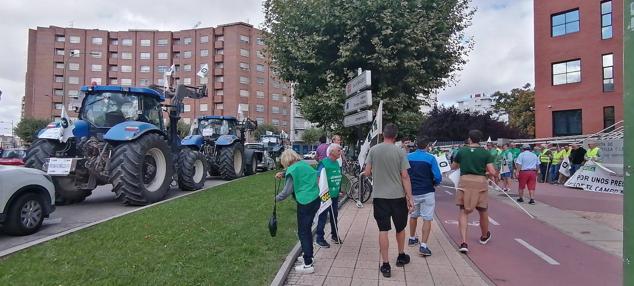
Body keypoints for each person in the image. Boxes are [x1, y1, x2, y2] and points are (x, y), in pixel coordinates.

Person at [363, 123, 414, 278]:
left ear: (383, 134)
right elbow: (405, 176)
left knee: (383, 230)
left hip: (380, 197)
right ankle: (401, 256)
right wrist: (409, 197)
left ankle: (385, 265)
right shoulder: (400, 152)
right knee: (400, 228)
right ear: (396, 136)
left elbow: (367, 172)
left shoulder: (373, 150)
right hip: (398, 197)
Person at [274, 150, 321, 274]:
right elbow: (298, 172)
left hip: (305, 202)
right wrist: (283, 174)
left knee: (303, 232)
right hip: (315, 199)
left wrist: (275, 198)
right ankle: (308, 255)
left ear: (286, 161)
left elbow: (286, 192)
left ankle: (308, 264)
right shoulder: (304, 164)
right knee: (307, 230)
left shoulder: (293, 169)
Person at [451, 129, 497, 253]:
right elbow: (492, 172)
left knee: (463, 211)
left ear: (469, 139)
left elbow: (453, 167)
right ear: (480, 140)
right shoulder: (486, 153)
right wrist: (486, 173)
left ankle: (464, 242)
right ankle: (484, 235)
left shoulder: (462, 151)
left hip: (465, 181)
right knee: (483, 210)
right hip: (480, 183)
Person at [406, 135, 442, 256]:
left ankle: (412, 238)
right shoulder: (431, 158)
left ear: (416, 145)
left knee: (413, 215)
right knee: (427, 218)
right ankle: (424, 245)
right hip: (427, 191)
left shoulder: (408, 157)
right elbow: (437, 176)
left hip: (413, 192)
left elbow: (404, 174)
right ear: (427, 146)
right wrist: (435, 183)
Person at [315, 144, 343, 248]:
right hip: (326, 194)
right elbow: (318, 177)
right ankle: (319, 238)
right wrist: (320, 192)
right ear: (331, 152)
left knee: (334, 215)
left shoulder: (336, 162)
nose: (340, 152)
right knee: (323, 216)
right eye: (338, 150)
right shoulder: (323, 163)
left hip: (335, 194)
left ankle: (334, 235)